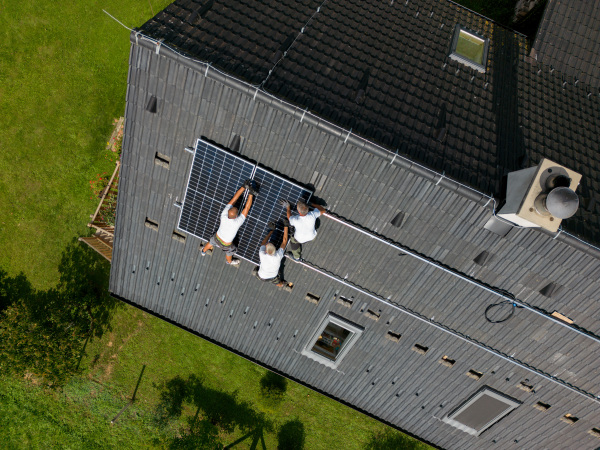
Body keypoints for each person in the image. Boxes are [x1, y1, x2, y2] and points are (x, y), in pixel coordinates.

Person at [201, 181, 256, 265]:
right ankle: (229, 262)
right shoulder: (237, 222)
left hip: (216, 238)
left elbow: (234, 199)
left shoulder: (224, 214)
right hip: (226, 245)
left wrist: (243, 187)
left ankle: (203, 251)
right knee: (229, 253)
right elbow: (246, 208)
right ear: (236, 216)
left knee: (211, 242)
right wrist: (250, 193)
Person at [254, 219, 292, 289]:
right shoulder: (277, 256)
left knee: (276, 281)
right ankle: (281, 284)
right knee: (277, 282)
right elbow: (284, 241)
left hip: (261, 275)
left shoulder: (263, 254)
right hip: (271, 276)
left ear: (266, 250)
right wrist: (286, 226)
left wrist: (271, 231)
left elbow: (263, 243)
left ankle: (280, 284)